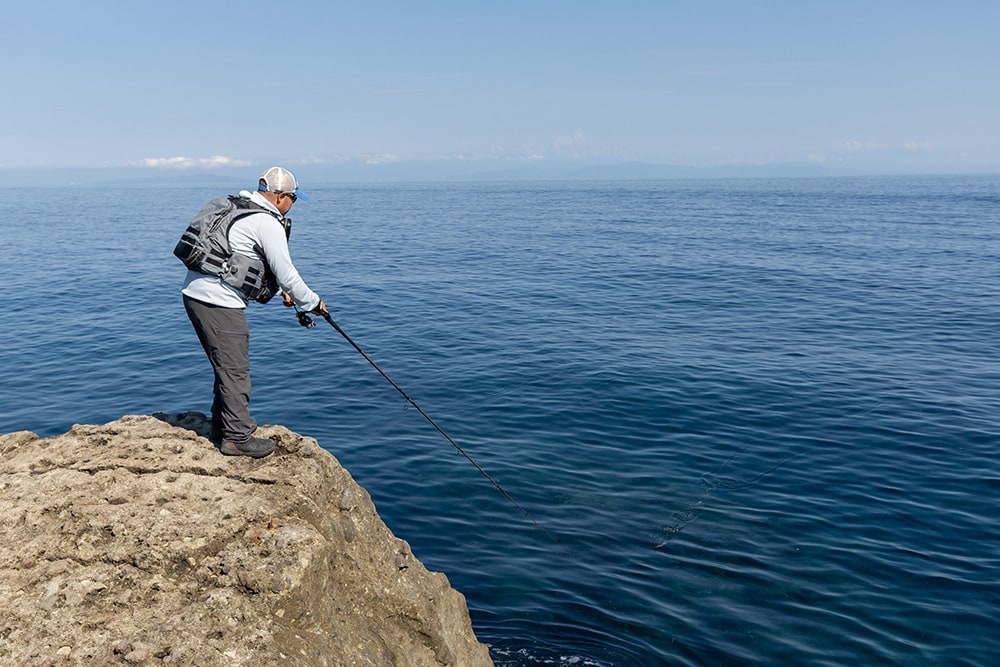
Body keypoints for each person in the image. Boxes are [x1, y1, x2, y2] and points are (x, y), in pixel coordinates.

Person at [182, 166, 327, 458]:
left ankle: (222, 428)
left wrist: (282, 293)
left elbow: (247, 261)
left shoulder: (241, 209)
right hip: (218, 302)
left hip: (196, 295)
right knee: (235, 370)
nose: (293, 205)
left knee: (225, 366)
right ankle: (237, 438)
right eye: (294, 200)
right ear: (281, 196)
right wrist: (312, 302)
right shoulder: (267, 222)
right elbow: (287, 272)